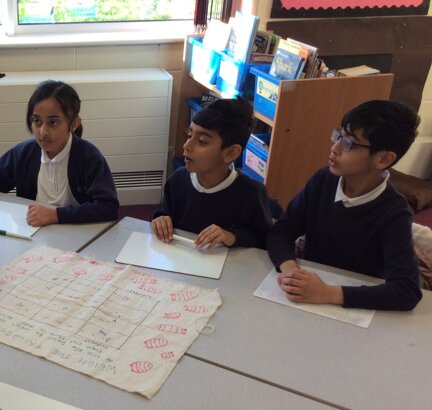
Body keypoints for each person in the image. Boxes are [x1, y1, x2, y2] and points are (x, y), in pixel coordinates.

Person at [267, 100, 423, 311]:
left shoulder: (394, 213)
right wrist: (291, 271)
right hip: (310, 290)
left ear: (383, 159)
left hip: (354, 304)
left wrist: (328, 293)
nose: (335, 148)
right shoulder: (324, 180)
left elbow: (407, 291)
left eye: (349, 143)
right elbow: (281, 231)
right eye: (339, 136)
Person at [0, 80, 119, 226]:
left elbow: (108, 207)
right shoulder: (24, 153)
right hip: (34, 230)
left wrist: (56, 215)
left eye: (53, 122)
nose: (43, 132)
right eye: (37, 121)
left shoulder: (89, 157)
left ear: (73, 124)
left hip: (78, 232)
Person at [150, 98, 272, 249]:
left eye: (202, 141)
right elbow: (166, 213)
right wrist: (160, 219)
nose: (187, 145)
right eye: (189, 135)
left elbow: (264, 239)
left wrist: (231, 236)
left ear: (231, 153)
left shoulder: (251, 193)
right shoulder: (177, 180)